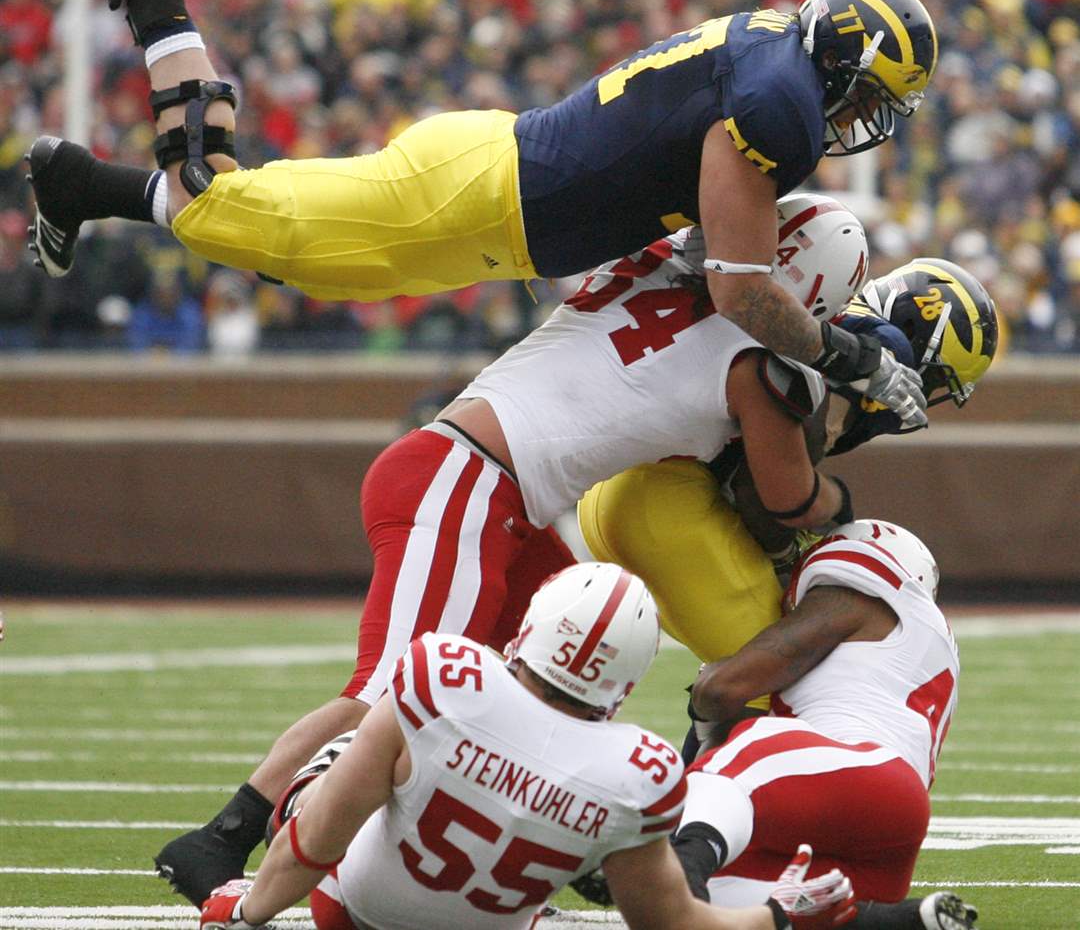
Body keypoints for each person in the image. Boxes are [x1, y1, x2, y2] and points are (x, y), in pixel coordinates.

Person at [156, 195, 870, 906]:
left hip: (495, 497)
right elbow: (789, 500)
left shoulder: (649, 264)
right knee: (387, 694)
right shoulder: (759, 362)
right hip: (466, 484)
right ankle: (223, 837)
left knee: (555, 678)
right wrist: (846, 504)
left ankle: (578, 846)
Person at [28, 0, 930, 425]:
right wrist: (847, 358)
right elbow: (742, 290)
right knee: (216, 205)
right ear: (847, 58)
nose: (866, 121)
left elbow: (701, 203)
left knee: (292, 258)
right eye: (874, 96)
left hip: (493, 192)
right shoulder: (782, 102)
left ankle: (81, 183)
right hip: (484, 194)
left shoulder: (774, 55)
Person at [198, 562, 858, 930]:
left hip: (355, 916)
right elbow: (672, 925)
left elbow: (315, 839)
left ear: (534, 629)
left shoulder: (445, 678)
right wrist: (775, 916)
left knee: (340, 762)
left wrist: (246, 908)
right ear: (625, 680)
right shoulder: (641, 770)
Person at [576, 257, 998, 671]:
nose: (932, 393)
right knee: (778, 685)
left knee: (746, 675)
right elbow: (770, 494)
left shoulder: (826, 322)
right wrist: (819, 522)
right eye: (939, 379)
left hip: (621, 490)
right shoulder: (878, 358)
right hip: (664, 506)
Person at [664, 519, 978, 930]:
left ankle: (683, 869)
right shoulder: (922, 644)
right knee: (726, 892)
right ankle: (895, 921)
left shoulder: (863, 590)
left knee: (744, 747)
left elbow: (721, 690)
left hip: (855, 772)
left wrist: (706, 723)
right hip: (886, 829)